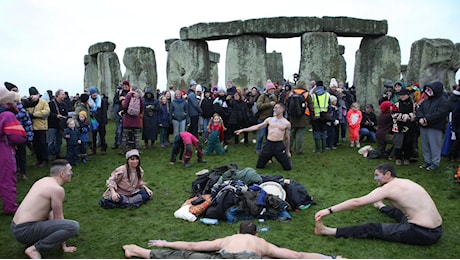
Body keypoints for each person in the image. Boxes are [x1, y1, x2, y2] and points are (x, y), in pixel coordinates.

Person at [314, 163, 443, 246]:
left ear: (387, 174)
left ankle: (327, 231)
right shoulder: (405, 182)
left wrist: (329, 210)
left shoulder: (388, 189)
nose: (375, 179)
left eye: (377, 176)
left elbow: (356, 202)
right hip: (437, 229)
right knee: (399, 212)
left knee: (372, 228)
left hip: (423, 233)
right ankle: (381, 206)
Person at [122, 220, 342, 259]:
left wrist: (165, 242)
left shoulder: (228, 238)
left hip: (223, 257)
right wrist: (331, 257)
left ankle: (138, 251)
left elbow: (191, 246)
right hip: (248, 258)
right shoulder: (260, 243)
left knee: (182, 256)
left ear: (238, 232)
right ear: (255, 234)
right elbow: (298, 255)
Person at [11, 159, 79, 258]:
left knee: (61, 224)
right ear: (62, 174)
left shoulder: (43, 181)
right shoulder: (57, 190)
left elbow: (50, 213)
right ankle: (35, 249)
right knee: (72, 226)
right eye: (69, 170)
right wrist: (64, 246)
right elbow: (58, 218)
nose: (71, 173)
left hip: (16, 227)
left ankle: (34, 243)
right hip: (25, 230)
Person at [235, 103, 292, 170]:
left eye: (276, 108)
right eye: (274, 108)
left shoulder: (286, 123)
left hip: (279, 145)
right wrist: (243, 130)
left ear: (282, 109)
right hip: (269, 144)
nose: (274, 109)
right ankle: (269, 157)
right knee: (259, 166)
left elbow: (287, 138)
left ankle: (275, 157)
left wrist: (287, 151)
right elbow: (258, 127)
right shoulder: (270, 120)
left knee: (287, 168)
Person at [0, 86, 26, 214]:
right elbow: (18, 136)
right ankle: (10, 206)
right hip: (4, 149)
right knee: (7, 179)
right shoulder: (7, 115)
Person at [416, 81, 449, 171]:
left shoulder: (443, 101)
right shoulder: (426, 101)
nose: (428, 91)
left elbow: (439, 113)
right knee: (425, 144)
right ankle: (427, 160)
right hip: (424, 126)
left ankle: (435, 162)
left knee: (434, 145)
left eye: (430, 89)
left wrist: (426, 119)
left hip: (435, 127)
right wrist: (420, 118)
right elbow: (419, 109)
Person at [24, 86, 50, 168]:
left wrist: (34, 115)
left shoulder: (43, 102)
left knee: (43, 143)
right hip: (32, 127)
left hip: (41, 126)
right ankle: (39, 159)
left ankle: (45, 159)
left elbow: (46, 111)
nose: (33, 97)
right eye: (32, 95)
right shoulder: (29, 103)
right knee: (36, 144)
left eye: (35, 94)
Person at [391, 88, 416, 165]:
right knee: (398, 142)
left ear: (408, 95)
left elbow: (415, 114)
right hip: (399, 126)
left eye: (404, 95)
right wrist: (404, 117)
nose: (402, 96)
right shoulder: (397, 104)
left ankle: (406, 157)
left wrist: (409, 117)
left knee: (408, 142)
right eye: (401, 95)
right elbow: (393, 114)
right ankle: (398, 158)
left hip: (410, 126)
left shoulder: (413, 104)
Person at [287, 80, 314, 155]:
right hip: (303, 116)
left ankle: (288, 148)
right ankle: (298, 149)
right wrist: (313, 115)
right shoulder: (306, 94)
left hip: (293, 116)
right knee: (300, 134)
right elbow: (310, 105)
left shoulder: (291, 93)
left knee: (291, 133)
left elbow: (287, 103)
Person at [255, 80, 279, 154]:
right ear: (268, 89)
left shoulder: (274, 96)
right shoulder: (262, 96)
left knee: (269, 136)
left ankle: (267, 149)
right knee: (261, 135)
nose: (273, 90)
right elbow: (258, 106)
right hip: (263, 118)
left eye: (273, 89)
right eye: (271, 89)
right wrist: (269, 104)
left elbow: (277, 104)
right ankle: (258, 149)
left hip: (272, 119)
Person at [48, 89, 68, 160]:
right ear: (57, 95)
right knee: (51, 141)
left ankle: (58, 153)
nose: (64, 96)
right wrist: (56, 115)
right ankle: (50, 154)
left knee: (59, 141)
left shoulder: (64, 104)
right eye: (62, 94)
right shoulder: (51, 104)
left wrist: (64, 117)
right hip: (52, 125)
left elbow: (66, 113)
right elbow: (48, 114)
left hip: (60, 125)